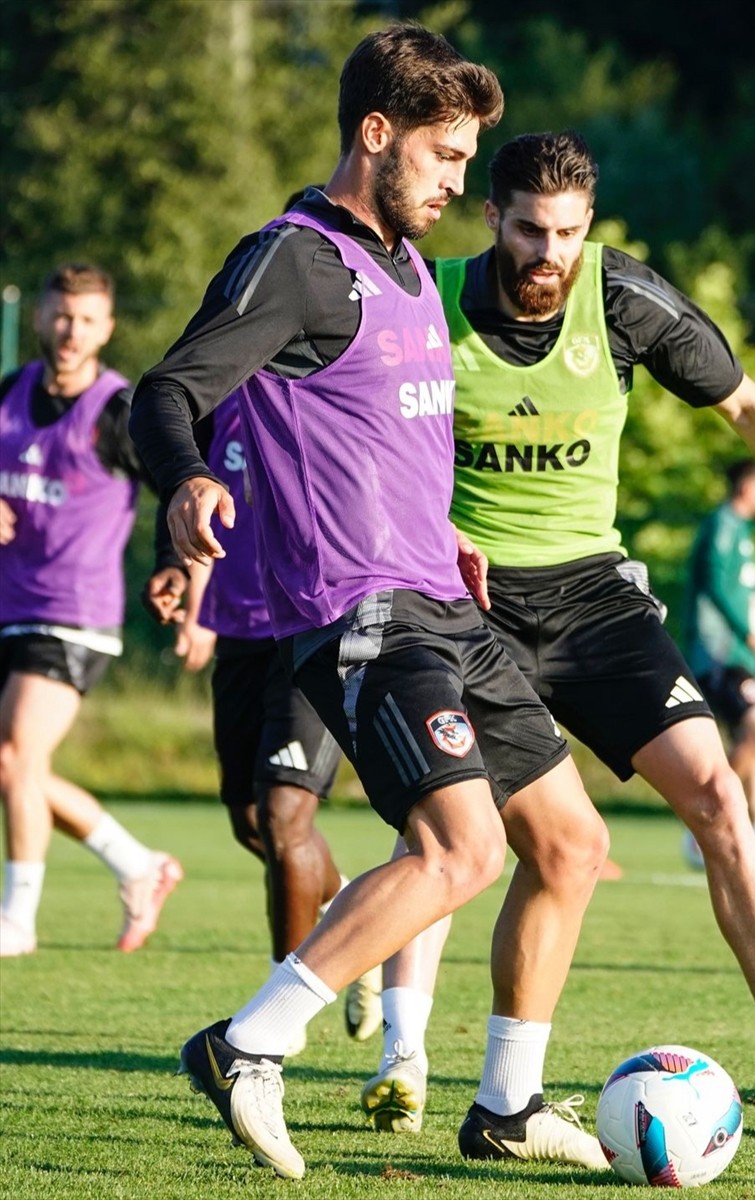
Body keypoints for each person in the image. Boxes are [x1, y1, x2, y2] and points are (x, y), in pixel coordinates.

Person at [128, 24, 611, 1181]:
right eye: (445, 157)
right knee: (459, 850)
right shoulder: (292, 259)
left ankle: (503, 1106)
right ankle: (251, 1044)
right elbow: (168, 392)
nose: (458, 183)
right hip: (359, 611)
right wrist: (188, 480)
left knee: (571, 844)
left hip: (441, 599)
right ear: (375, 134)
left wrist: (440, 522)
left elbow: (376, 423)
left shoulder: (400, 265)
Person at [358, 131, 755, 1144]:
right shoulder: (423, 303)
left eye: (566, 232)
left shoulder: (620, 298)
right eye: (527, 229)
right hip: (465, 606)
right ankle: (406, 1055)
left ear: (587, 229)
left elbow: (745, 405)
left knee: (717, 794)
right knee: (449, 829)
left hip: (595, 601)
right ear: (492, 218)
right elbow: (360, 450)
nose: (546, 253)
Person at [142, 395, 383, 1048]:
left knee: (283, 816)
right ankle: (363, 920)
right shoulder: (215, 392)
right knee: (252, 821)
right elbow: (182, 489)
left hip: (314, 622)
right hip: (240, 630)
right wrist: (172, 567)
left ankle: (279, 1013)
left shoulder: (327, 381)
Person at [0, 263, 183, 958]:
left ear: (107, 328)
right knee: (15, 767)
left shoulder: (116, 412)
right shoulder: (10, 395)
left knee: (17, 755)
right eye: (60, 314)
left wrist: (177, 572)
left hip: (75, 611)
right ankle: (137, 864)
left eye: (86, 319)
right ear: (43, 317)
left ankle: (16, 919)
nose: (70, 330)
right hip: (9, 606)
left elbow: (175, 486)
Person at [684, 459, 755, 838]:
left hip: (737, 657)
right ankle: (707, 809)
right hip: (720, 656)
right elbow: (716, 587)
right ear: (748, 486)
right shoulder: (723, 526)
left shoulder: (740, 530)